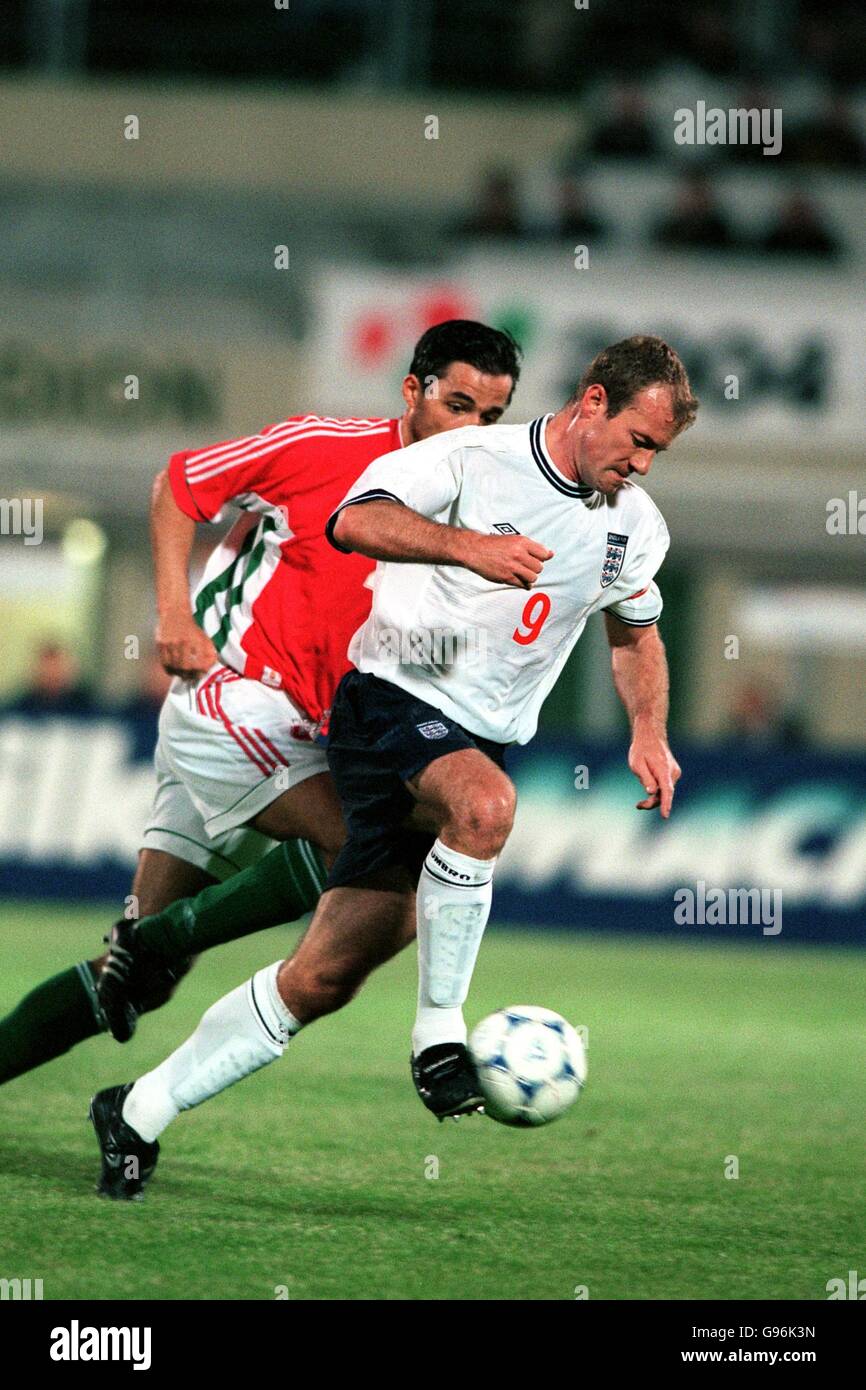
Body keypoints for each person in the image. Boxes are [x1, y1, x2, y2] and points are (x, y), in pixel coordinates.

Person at [90, 335, 697, 1200]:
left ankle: (137, 1111)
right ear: (593, 402)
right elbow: (354, 520)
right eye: (638, 440)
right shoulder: (473, 457)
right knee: (484, 811)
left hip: (479, 730)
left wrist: (650, 731)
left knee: (325, 976)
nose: (642, 463)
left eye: (657, 454)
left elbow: (635, 635)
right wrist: (465, 547)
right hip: (388, 699)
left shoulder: (636, 527)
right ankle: (438, 1035)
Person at [0, 321, 521, 1089]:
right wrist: (173, 615)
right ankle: (156, 937)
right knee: (367, 847)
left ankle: (141, 947)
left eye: (490, 417)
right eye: (457, 404)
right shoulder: (323, 447)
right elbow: (180, 483)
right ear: (412, 391)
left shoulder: (477, 513)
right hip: (231, 700)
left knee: (143, 977)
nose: (471, 430)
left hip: (302, 739)